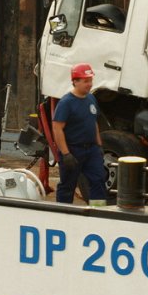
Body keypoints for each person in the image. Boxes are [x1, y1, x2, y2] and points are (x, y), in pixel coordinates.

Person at [52, 62, 107, 205]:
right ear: (75, 82)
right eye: (86, 81)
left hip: (91, 150)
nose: (89, 84)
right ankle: (63, 215)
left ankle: (98, 213)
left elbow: (93, 122)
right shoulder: (66, 103)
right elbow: (57, 128)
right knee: (67, 186)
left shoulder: (91, 98)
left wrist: (99, 145)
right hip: (73, 150)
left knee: (98, 180)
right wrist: (66, 154)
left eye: (90, 80)